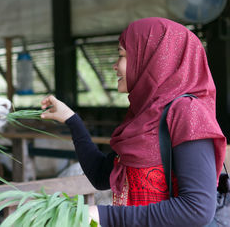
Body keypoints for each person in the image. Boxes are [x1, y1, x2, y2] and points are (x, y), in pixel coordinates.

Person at [41, 17, 227, 226]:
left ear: (153, 59)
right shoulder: (144, 115)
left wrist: (104, 216)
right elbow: (101, 176)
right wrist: (72, 120)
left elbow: (197, 209)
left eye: (121, 55)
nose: (115, 65)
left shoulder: (187, 112)